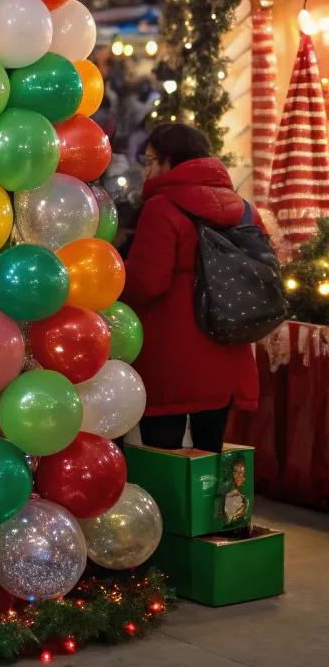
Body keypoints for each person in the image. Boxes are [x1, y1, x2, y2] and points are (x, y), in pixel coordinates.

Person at [123, 121, 261, 454]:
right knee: (211, 462)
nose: (147, 170)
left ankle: (173, 510)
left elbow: (147, 283)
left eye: (151, 160)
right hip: (228, 350)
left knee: (165, 459)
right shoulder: (243, 209)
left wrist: (113, 279)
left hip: (172, 356)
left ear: (170, 160)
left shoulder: (162, 206)